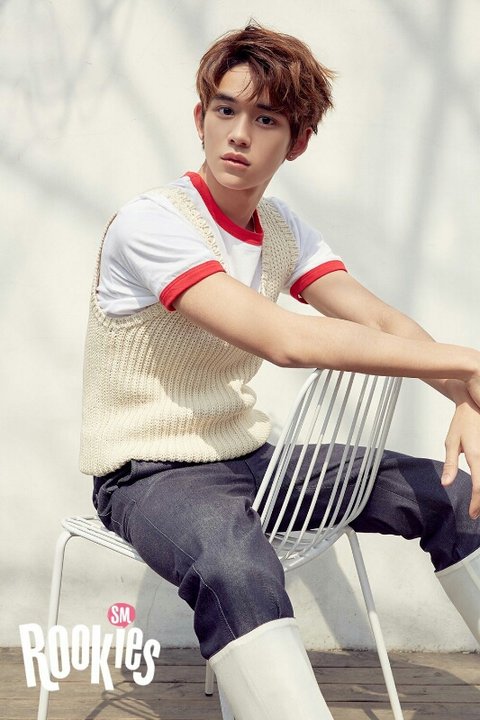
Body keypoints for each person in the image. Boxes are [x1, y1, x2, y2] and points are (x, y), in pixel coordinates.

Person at [80, 22, 480, 720]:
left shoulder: (284, 230)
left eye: (265, 119)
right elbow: (284, 340)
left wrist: (468, 395)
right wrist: (471, 363)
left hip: (251, 459)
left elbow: (381, 322)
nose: (239, 134)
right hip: (147, 472)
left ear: (297, 141)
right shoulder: (152, 224)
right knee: (237, 564)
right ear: (200, 118)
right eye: (225, 110)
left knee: (455, 495)